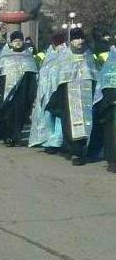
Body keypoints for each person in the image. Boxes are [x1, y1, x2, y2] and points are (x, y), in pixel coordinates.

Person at [46, 28, 98, 165]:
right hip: (68, 95)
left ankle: (80, 150)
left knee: (87, 123)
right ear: (71, 40)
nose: (80, 41)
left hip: (86, 95)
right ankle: (74, 151)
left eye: (82, 38)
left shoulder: (89, 56)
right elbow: (57, 76)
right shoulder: (64, 56)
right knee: (69, 123)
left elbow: (94, 74)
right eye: (76, 38)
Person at [0, 31, 39, 147]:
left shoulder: (28, 57)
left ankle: (16, 136)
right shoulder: (3, 57)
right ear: (11, 42)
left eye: (19, 40)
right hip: (6, 92)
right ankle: (8, 136)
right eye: (15, 41)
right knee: (8, 114)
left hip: (22, 91)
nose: (18, 43)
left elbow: (33, 75)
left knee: (20, 115)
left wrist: (32, 91)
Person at [28, 34, 68, 153]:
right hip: (46, 92)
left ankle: (58, 142)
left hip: (60, 92)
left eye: (62, 44)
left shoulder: (68, 57)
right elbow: (43, 74)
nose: (61, 47)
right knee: (48, 116)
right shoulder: (48, 57)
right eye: (58, 44)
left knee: (59, 117)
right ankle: (48, 140)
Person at [91, 42, 116, 172]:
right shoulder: (110, 63)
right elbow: (103, 84)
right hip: (111, 107)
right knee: (110, 134)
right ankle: (112, 161)